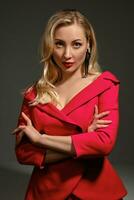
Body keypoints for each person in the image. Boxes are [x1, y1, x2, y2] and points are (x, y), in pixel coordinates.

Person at [12, 9, 127, 200]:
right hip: (46, 192)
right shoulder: (34, 94)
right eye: (59, 44)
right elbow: (24, 153)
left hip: (96, 190)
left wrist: (40, 140)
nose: (67, 54)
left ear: (88, 46)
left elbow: (103, 144)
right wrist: (84, 139)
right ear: (50, 46)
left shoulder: (104, 84)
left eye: (76, 44)